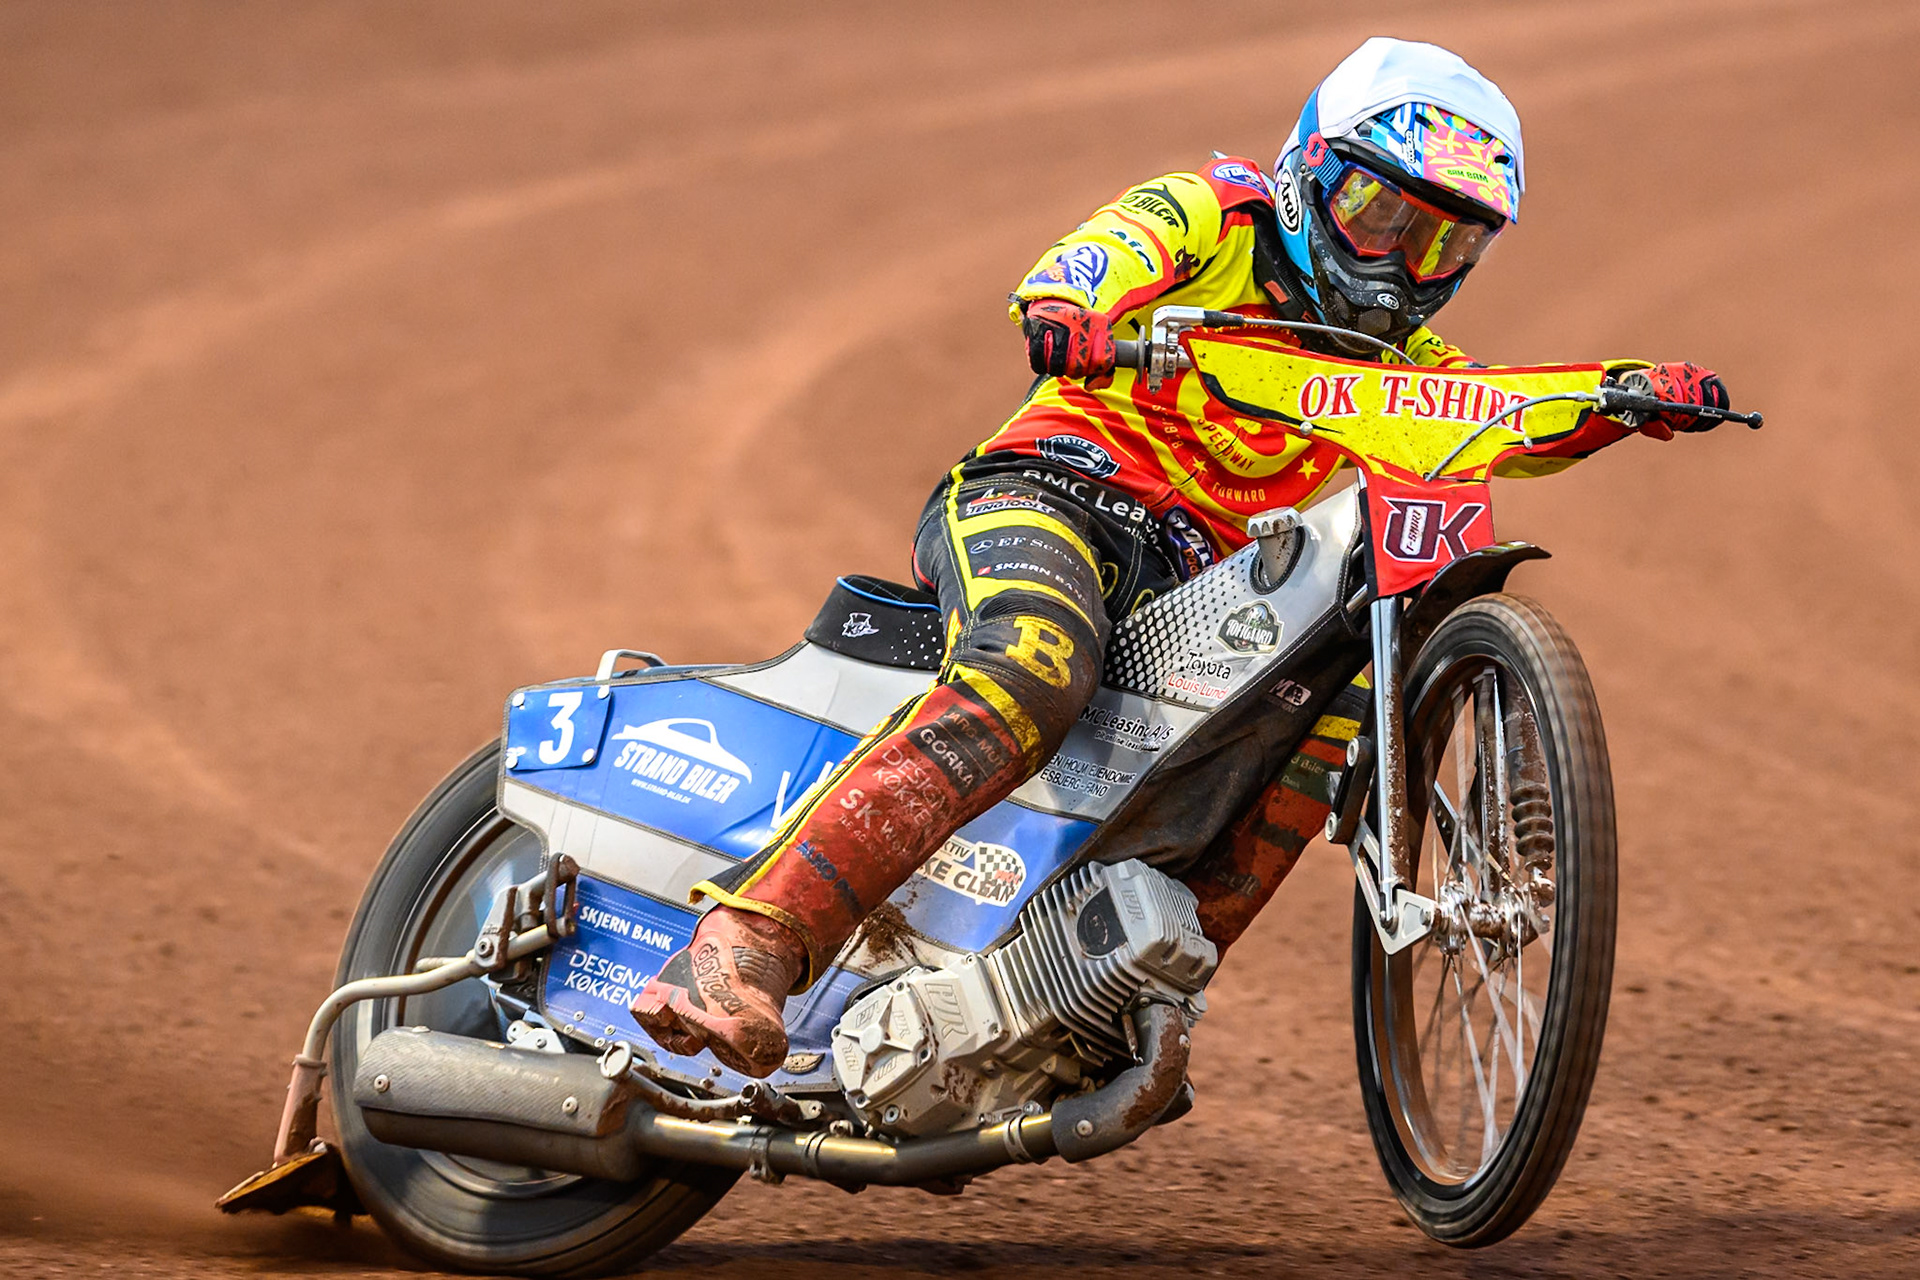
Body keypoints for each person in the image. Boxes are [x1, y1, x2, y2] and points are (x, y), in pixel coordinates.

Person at [632, 36, 1730, 1077]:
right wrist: (1073, 308)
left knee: (1322, 724)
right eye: (1376, 212)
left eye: (1443, 243)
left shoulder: (1402, 358)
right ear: (1309, 174)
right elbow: (1092, 257)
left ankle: (1105, 996)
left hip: (1193, 584)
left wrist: (1623, 393)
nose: (1399, 264)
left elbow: (1498, 414)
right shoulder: (1216, 211)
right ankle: (750, 941)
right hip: (1051, 492)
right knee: (1034, 662)